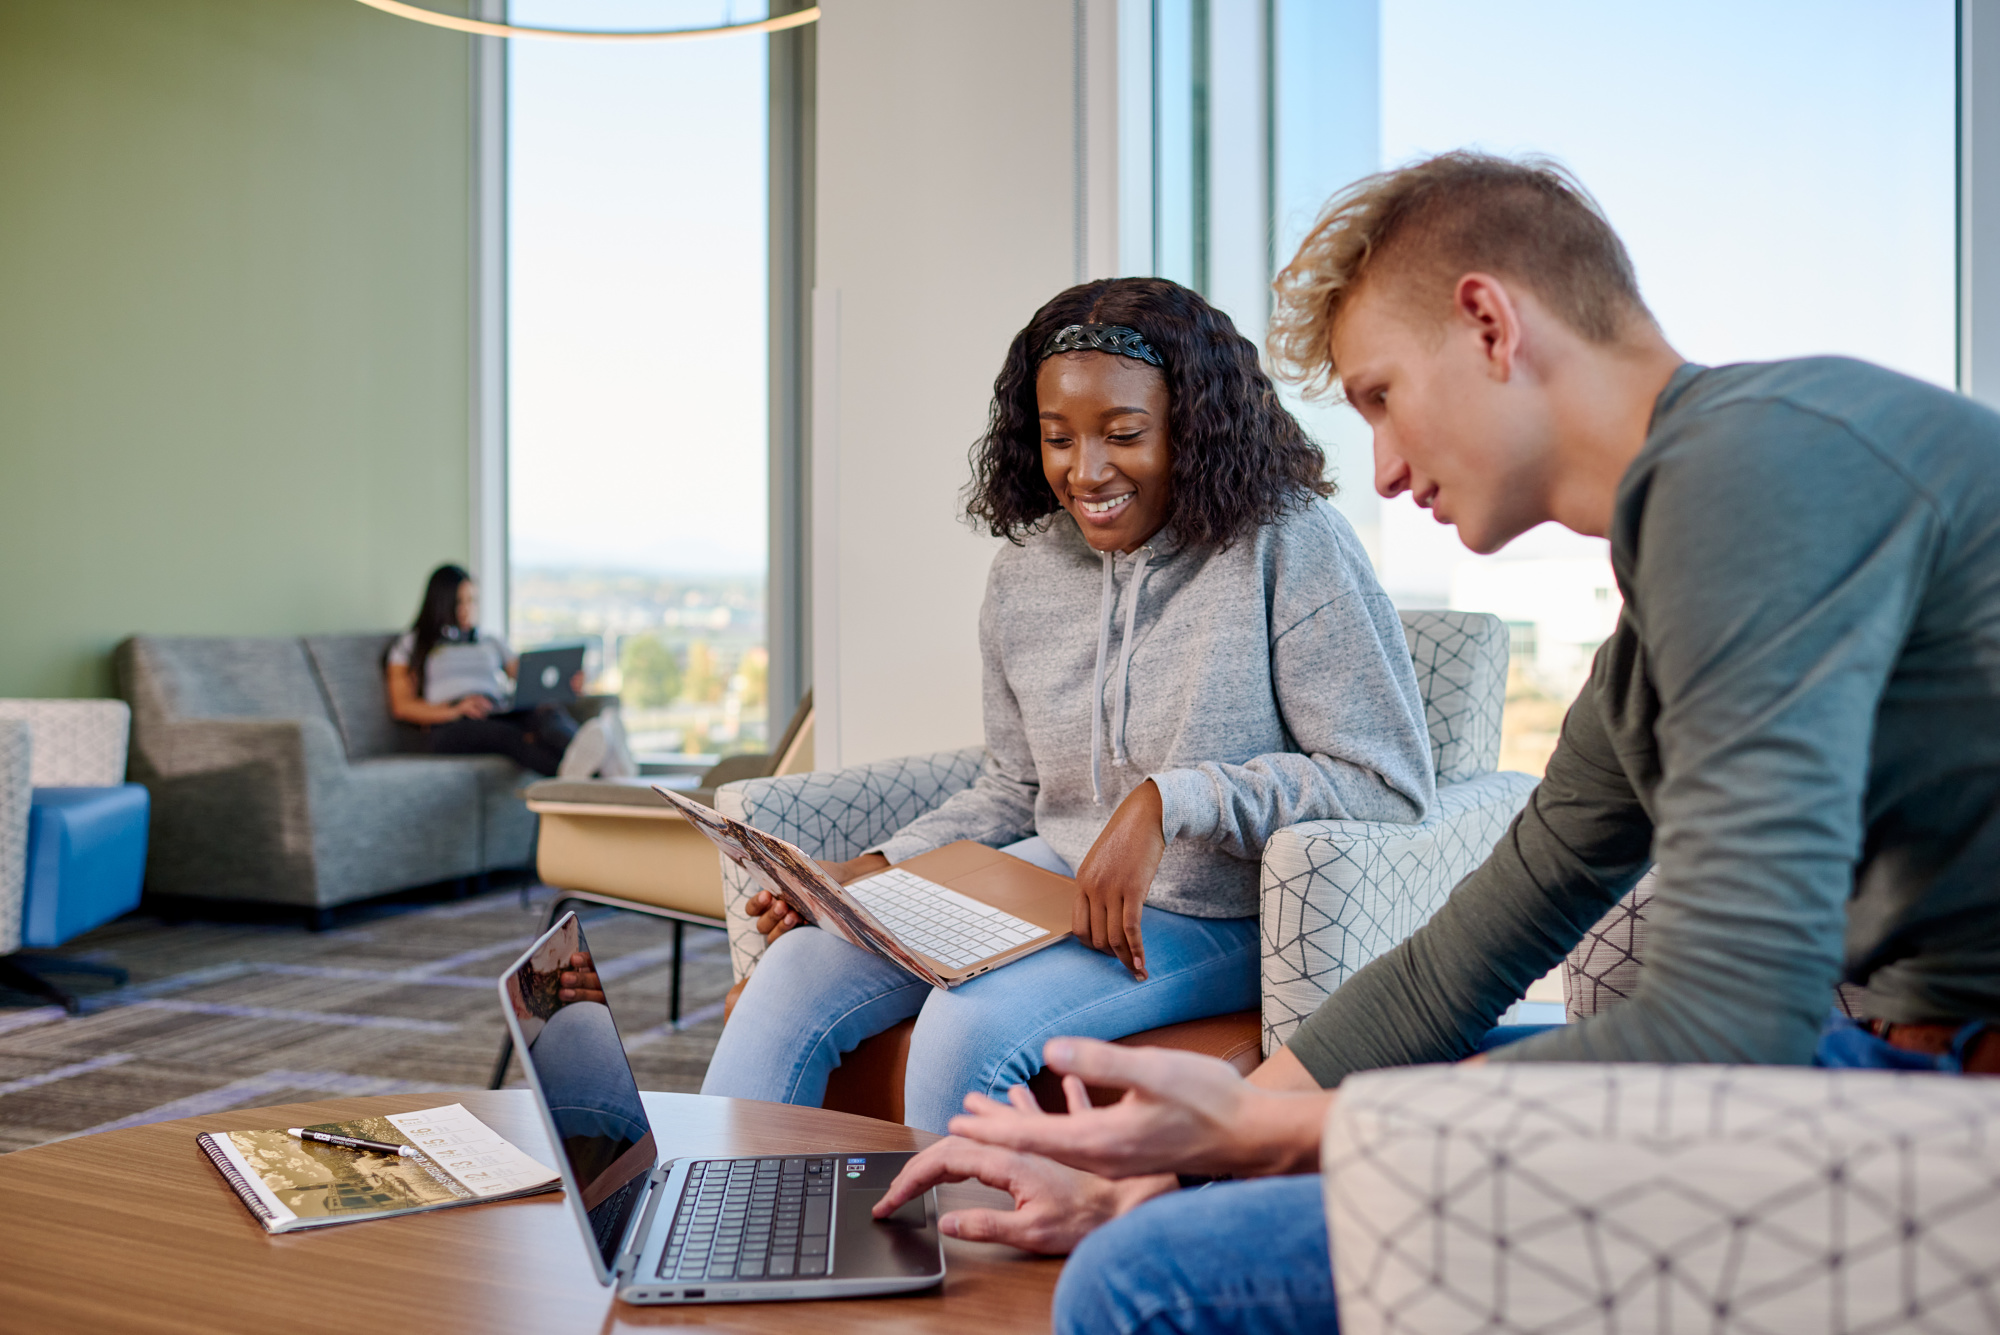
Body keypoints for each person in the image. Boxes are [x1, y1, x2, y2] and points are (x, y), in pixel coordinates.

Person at [864, 152, 2000, 1333]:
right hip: (1868, 1050)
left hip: (1940, 1096)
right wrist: (1177, 1163)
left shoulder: (1758, 474)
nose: (1386, 469)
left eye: (1378, 397)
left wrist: (1284, 1131)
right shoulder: (1686, 565)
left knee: (1140, 1283)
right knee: (1168, 1218)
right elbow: (1489, 931)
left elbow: (1726, 1022)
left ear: (1486, 324)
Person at [700, 277, 1437, 1134]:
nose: (1085, 473)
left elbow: (1385, 784)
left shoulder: (1291, 543)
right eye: (1058, 439)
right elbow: (1014, 788)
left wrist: (1171, 801)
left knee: (964, 1027)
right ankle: (709, 1240)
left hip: (1219, 915)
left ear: (1191, 429)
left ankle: (952, 1266)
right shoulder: (1027, 571)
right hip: (1051, 880)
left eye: (1123, 434)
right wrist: (876, 869)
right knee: (794, 972)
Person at [385, 564, 633, 779]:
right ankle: (604, 772)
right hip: (451, 723)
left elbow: (527, 677)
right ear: (439, 603)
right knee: (513, 736)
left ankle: (594, 752)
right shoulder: (411, 645)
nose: (466, 609)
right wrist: (455, 710)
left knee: (543, 713)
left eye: (471, 600)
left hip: (495, 709)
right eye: (458, 602)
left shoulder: (489, 641)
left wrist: (568, 683)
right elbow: (403, 705)